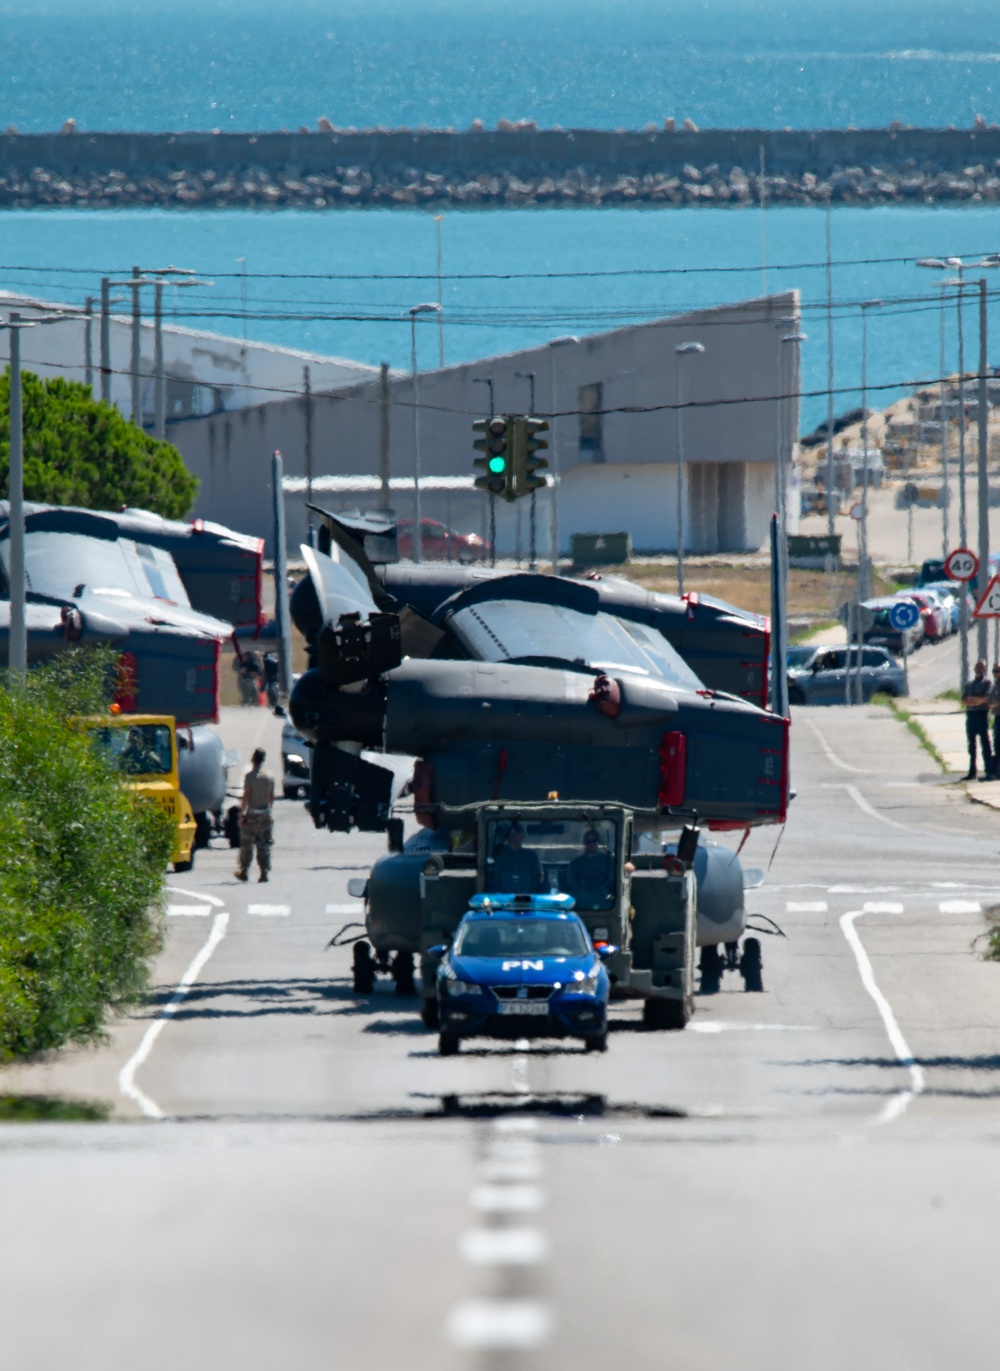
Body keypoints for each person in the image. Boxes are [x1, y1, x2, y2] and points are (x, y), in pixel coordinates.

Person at [236, 747, 275, 882]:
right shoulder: (269, 776)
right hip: (265, 813)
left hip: (253, 814)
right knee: (264, 844)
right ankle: (264, 872)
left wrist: (241, 814)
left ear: (253, 759)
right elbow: (271, 797)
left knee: (247, 844)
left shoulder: (250, 777)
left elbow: (246, 797)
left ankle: (244, 871)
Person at [961, 659, 994, 782]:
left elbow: (985, 698)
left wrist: (974, 700)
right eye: (977, 667)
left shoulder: (987, 683)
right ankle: (972, 771)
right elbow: (964, 700)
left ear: (984, 669)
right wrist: (974, 700)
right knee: (971, 744)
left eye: (981, 667)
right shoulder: (969, 684)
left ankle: (989, 771)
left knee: (985, 742)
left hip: (981, 715)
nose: (978, 669)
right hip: (971, 715)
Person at [566, 829, 615, 908]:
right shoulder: (576, 862)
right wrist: (582, 887)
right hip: (581, 894)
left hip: (603, 895)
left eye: (594, 840)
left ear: (598, 842)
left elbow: (616, 875)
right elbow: (570, 880)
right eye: (588, 841)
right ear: (584, 843)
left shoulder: (608, 860)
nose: (591, 843)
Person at [491, 823, 543, 894]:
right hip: (503, 898)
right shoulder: (500, 855)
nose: (518, 836)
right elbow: (496, 879)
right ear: (508, 836)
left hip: (528, 898)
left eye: (520, 834)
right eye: (514, 834)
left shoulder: (531, 856)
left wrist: (528, 894)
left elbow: (537, 879)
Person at [989, 664, 1000, 775]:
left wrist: (993, 702)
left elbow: (996, 700)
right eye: (994, 671)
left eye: (998, 671)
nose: (996, 673)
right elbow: (990, 700)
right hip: (997, 717)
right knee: (996, 745)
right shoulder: (994, 686)